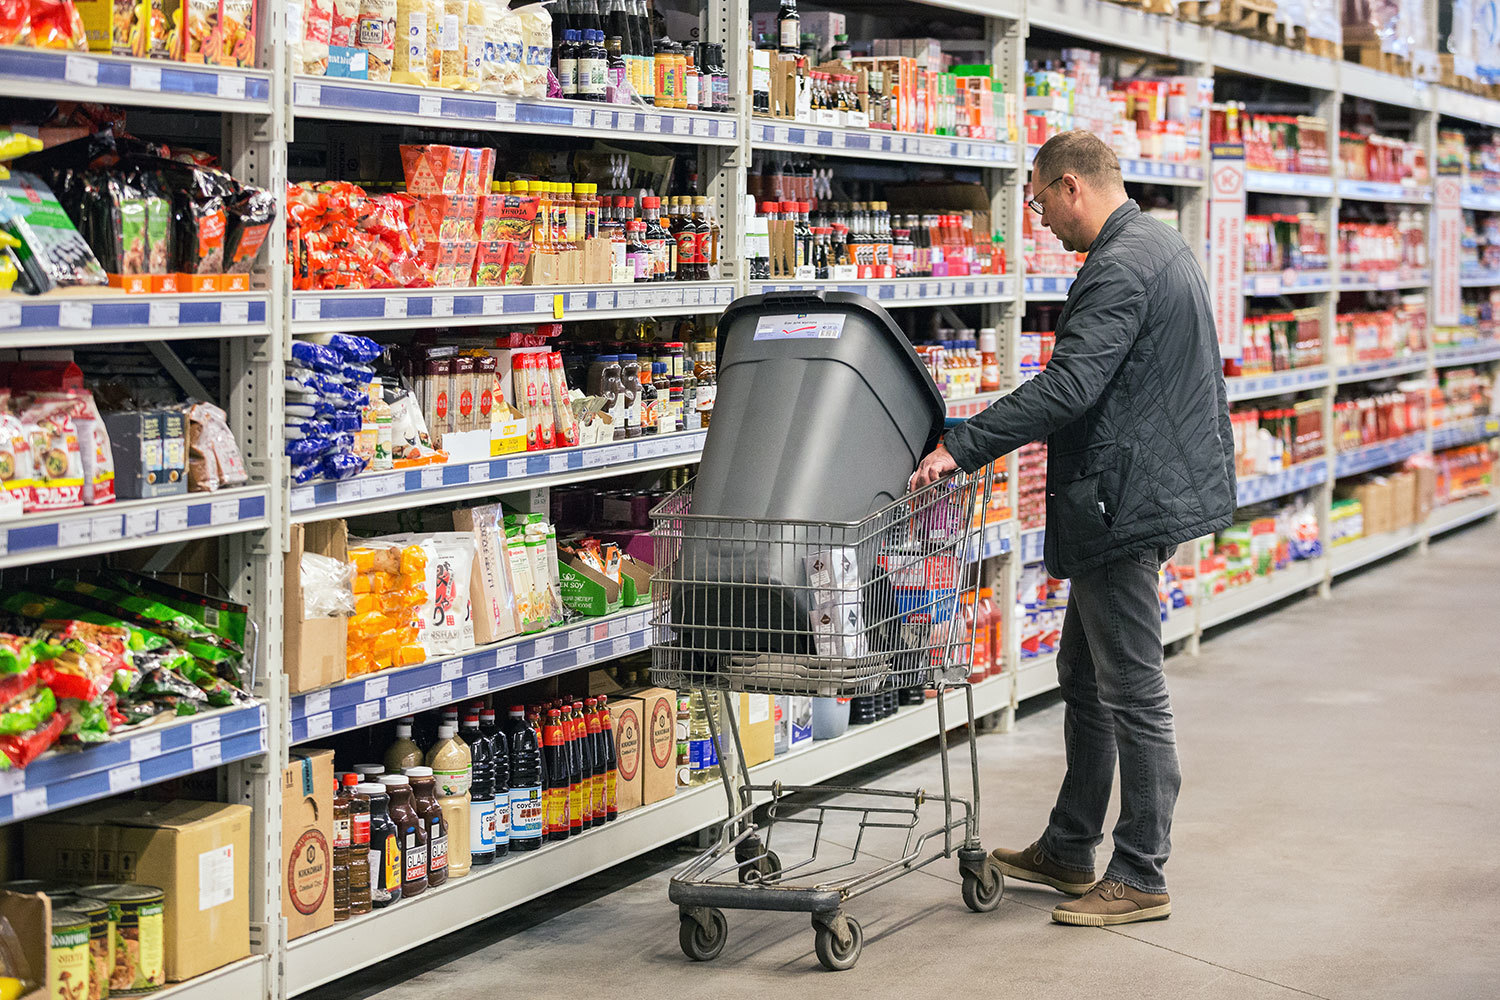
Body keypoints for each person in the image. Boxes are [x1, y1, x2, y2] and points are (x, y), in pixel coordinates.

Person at [910, 130, 1235, 927]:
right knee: (1086, 679)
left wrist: (962, 444)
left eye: (1037, 204)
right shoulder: (1158, 242)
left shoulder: (1119, 266)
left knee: (1132, 689)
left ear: (1070, 188)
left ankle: (1141, 871)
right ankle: (1070, 844)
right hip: (1139, 485)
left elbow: (1071, 386)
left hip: (1125, 501)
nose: (1040, 221)